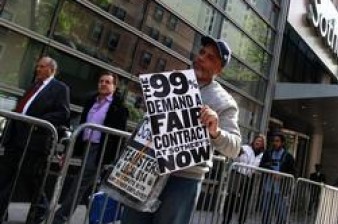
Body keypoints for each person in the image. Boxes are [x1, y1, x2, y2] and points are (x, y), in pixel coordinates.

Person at [121, 36, 242, 224]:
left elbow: (234, 148)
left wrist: (216, 131)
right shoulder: (172, 82)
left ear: (219, 69)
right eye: (202, 52)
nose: (202, 57)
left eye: (211, 57)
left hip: (183, 179)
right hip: (146, 168)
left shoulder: (225, 102)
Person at [0, 56, 70, 224]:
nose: (37, 69)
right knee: (5, 177)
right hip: (16, 138)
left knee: (30, 179)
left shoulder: (60, 88)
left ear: (51, 70)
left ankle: (40, 209)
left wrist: (37, 121)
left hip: (34, 141)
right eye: (37, 66)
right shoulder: (34, 86)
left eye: (41, 66)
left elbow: (63, 113)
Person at [52, 71, 129, 224]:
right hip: (86, 147)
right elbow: (82, 127)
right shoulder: (91, 102)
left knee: (80, 183)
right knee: (90, 187)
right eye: (101, 81)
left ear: (114, 86)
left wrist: (114, 160)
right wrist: (69, 151)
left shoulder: (119, 108)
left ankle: (59, 218)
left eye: (108, 82)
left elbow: (118, 136)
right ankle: (99, 219)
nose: (103, 84)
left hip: (100, 150)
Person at [223, 135, 265, 224]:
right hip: (237, 174)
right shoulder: (245, 148)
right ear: (253, 141)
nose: (258, 142)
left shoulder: (262, 155)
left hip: (249, 177)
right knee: (231, 198)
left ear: (263, 144)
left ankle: (241, 221)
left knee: (245, 201)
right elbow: (234, 157)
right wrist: (238, 154)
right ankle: (226, 219)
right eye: (257, 140)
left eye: (261, 141)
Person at [260, 133, 295, 224]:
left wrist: (282, 175)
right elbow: (261, 165)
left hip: (280, 190)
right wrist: (272, 172)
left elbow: (293, 172)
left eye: (277, 141)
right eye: (274, 141)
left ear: (282, 143)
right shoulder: (267, 153)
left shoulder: (288, 157)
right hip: (267, 187)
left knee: (281, 213)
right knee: (265, 211)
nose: (275, 143)